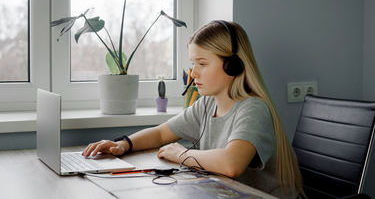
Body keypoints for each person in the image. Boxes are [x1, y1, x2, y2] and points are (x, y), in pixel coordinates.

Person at [82, 20, 304, 198]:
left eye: (202, 64)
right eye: (193, 63)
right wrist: (123, 144)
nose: (193, 73)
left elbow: (230, 165)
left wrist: (181, 154)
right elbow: (161, 133)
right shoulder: (207, 104)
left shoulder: (253, 109)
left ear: (232, 65)